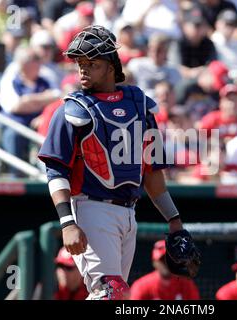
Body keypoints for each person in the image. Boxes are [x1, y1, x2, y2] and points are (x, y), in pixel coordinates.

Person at [37, 26, 200, 300]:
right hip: (90, 208)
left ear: (111, 65)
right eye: (80, 63)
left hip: (128, 212)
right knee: (109, 292)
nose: (83, 70)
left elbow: (152, 173)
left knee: (115, 294)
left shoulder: (140, 105)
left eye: (92, 63)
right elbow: (55, 170)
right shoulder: (71, 110)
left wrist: (175, 221)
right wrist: (67, 222)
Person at [0, 46, 60, 170]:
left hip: (40, 124)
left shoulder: (45, 80)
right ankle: (15, 176)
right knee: (13, 135)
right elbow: (15, 106)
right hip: (15, 125)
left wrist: (30, 101)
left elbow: (58, 98)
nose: (39, 62)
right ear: (23, 64)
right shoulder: (13, 80)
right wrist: (43, 99)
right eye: (35, 59)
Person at [130, 240, 200, 300]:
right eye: (162, 260)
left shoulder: (186, 285)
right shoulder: (142, 286)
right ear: (155, 262)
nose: (166, 264)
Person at [127, 33, 181, 98]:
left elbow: (174, 96)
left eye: (159, 50)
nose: (155, 53)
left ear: (166, 51)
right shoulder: (136, 64)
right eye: (152, 49)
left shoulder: (173, 70)